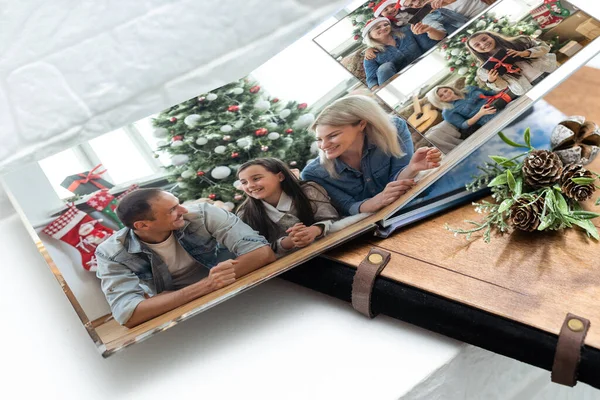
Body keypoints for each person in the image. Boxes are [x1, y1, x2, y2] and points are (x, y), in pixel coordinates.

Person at [95, 188, 275, 328]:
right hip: (188, 312)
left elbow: (262, 252)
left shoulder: (204, 214)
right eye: (172, 209)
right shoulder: (111, 253)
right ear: (143, 225)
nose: (183, 209)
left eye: (178, 203)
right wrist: (207, 285)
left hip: (239, 288)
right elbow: (127, 314)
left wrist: (163, 300)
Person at [301, 95, 442, 216]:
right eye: (319, 139)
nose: (324, 146)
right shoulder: (313, 173)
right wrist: (377, 201)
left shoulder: (394, 128)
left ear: (361, 124)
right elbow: (347, 206)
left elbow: (399, 179)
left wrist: (412, 168)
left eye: (333, 136)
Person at [236, 158, 339, 257]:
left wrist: (315, 230)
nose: (250, 185)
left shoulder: (308, 191)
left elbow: (334, 219)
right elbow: (252, 253)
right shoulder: (245, 214)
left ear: (280, 176)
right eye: (244, 182)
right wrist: (287, 243)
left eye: (256, 178)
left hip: (330, 250)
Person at [467, 31, 558, 95]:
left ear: (492, 36)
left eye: (484, 39)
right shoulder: (484, 70)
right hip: (528, 87)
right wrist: (493, 80)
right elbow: (502, 86)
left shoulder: (520, 41)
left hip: (549, 71)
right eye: (477, 45)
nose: (483, 44)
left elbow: (545, 47)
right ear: (474, 50)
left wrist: (525, 53)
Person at [362, 17, 439, 89]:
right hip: (402, 84)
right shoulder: (371, 55)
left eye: (386, 24)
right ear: (370, 35)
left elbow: (429, 45)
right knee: (385, 67)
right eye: (377, 28)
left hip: (425, 67)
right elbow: (372, 81)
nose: (383, 27)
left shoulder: (407, 31)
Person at [427, 85, 498, 134]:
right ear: (438, 100)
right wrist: (480, 114)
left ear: (450, 88)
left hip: (499, 104)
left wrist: (491, 81)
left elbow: (491, 93)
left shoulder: (469, 88)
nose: (446, 94)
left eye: (446, 90)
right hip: (489, 119)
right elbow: (463, 125)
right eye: (441, 96)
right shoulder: (447, 112)